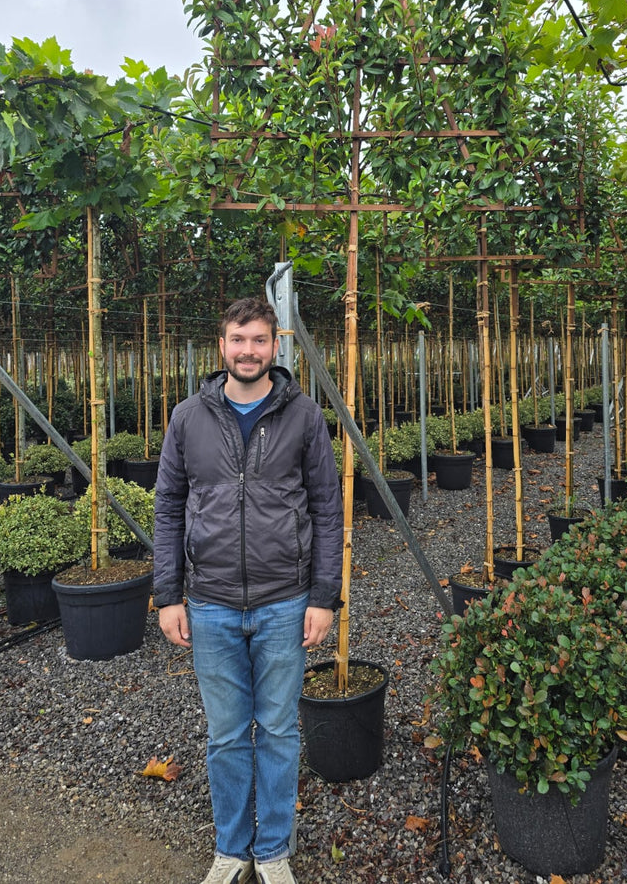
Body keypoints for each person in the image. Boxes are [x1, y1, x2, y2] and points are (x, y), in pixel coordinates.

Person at [154, 296, 343, 884]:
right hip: (208, 604)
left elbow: (328, 510)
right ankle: (232, 848)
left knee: (281, 731)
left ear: (276, 346)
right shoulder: (188, 418)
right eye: (239, 340)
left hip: (285, 600)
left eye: (260, 340)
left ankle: (274, 850)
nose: (249, 351)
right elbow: (169, 508)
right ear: (222, 347)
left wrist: (323, 596)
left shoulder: (304, 415)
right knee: (228, 734)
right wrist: (168, 595)